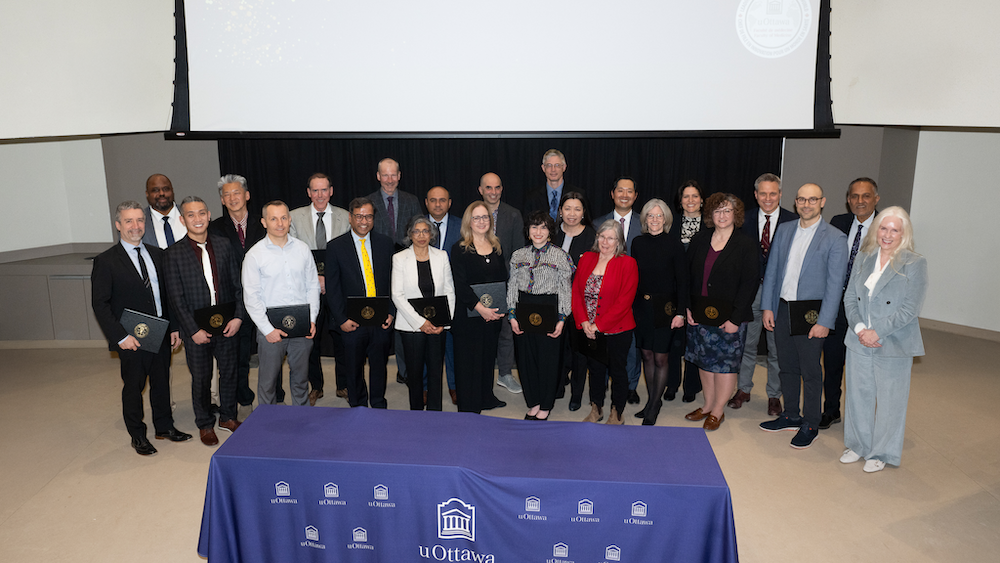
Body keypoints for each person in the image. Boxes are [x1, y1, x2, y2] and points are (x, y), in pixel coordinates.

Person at [91, 201, 190, 456]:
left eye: (139, 220)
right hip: (130, 337)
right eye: (128, 221)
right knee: (134, 387)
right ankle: (137, 435)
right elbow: (100, 304)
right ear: (118, 225)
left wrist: (174, 327)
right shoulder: (106, 261)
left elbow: (167, 295)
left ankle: (164, 427)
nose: (135, 226)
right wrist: (120, 336)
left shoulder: (158, 254)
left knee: (161, 382)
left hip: (160, 332)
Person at [758, 184, 847, 449]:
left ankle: (810, 423)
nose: (806, 204)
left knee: (810, 371)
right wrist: (768, 306)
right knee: (786, 366)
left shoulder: (835, 238)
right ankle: (790, 414)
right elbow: (772, 272)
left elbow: (835, 285)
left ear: (822, 202)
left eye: (812, 199)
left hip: (812, 315)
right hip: (783, 308)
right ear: (795, 202)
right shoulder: (784, 230)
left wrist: (825, 321)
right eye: (802, 199)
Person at [840, 207, 927, 473]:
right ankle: (858, 445)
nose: (887, 235)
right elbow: (849, 297)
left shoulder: (914, 263)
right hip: (858, 338)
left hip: (893, 341)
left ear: (904, 234)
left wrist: (876, 332)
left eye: (894, 230)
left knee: (890, 401)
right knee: (858, 396)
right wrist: (859, 328)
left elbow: (910, 309)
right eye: (883, 228)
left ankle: (882, 452)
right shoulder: (864, 256)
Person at [164, 196, 245, 446]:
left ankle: (228, 416)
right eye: (191, 215)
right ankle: (205, 423)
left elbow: (238, 285)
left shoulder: (224, 245)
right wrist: (192, 330)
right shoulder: (173, 254)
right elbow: (176, 298)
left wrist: (238, 317)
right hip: (196, 329)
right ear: (182, 220)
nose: (197, 219)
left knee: (229, 372)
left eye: (201, 213)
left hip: (227, 323)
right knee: (201, 377)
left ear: (209, 215)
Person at [683, 193, 758, 431]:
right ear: (710, 214)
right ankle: (707, 405)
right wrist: (688, 307)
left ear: (736, 214)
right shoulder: (700, 239)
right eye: (717, 210)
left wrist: (736, 318)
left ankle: (718, 410)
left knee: (725, 365)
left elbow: (749, 284)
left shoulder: (746, 244)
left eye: (727, 210)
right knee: (704, 362)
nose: (722, 215)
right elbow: (687, 276)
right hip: (700, 314)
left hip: (730, 317)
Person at [730, 173, 797, 416]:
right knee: (747, 343)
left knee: (776, 347)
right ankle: (743, 389)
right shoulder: (743, 220)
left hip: (779, 294)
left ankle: (774, 395)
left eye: (773, 193)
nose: (768, 198)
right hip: (751, 292)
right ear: (756, 195)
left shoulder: (793, 221)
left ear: (780, 194)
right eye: (763, 193)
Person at [242, 201, 320, 406]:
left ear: (290, 219)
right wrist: (267, 329)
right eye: (274, 219)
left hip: (302, 326)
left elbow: (312, 286)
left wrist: (311, 319)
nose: (280, 223)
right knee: (268, 382)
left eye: (284, 218)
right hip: (270, 328)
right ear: (264, 222)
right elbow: (251, 296)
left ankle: (301, 417)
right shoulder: (254, 255)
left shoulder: (302, 249)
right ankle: (267, 421)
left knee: (301, 380)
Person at [325, 197, 396, 408]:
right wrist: (341, 319)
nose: (364, 221)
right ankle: (358, 406)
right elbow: (333, 288)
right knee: (353, 367)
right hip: (351, 320)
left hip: (380, 318)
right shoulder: (336, 247)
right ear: (350, 217)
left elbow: (393, 281)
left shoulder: (385, 244)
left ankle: (378, 403)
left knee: (379, 366)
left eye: (368, 216)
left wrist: (391, 311)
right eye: (359, 216)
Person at [822, 177, 880, 429]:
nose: (860, 201)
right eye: (854, 196)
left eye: (866, 196)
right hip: (837, 306)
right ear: (848, 200)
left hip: (867, 309)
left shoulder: (886, 226)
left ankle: (861, 418)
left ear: (876, 199)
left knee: (862, 367)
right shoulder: (838, 222)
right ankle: (831, 410)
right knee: (832, 361)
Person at [289, 173, 351, 405]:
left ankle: (343, 385)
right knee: (310, 338)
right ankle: (316, 386)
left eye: (324, 190)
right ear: (308, 193)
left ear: (331, 191)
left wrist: (329, 279)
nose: (320, 195)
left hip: (338, 287)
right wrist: (316, 278)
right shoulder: (294, 217)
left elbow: (348, 253)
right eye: (315, 190)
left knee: (342, 338)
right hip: (307, 288)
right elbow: (293, 253)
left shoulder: (345, 217)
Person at [507, 211, 575, 420]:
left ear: (550, 231)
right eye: (534, 227)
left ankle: (545, 404)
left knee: (548, 360)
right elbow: (512, 286)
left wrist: (562, 318)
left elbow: (565, 289)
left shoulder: (560, 256)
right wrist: (512, 315)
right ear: (528, 231)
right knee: (526, 359)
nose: (538, 231)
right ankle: (533, 401)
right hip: (523, 308)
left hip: (549, 308)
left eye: (543, 227)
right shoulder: (518, 255)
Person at [572, 220, 638, 425]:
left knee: (617, 371)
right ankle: (596, 408)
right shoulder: (587, 258)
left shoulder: (628, 263)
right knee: (595, 370)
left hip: (617, 330)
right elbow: (576, 292)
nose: (605, 242)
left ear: (619, 242)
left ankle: (617, 412)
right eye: (602, 236)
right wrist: (584, 322)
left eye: (611, 238)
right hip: (589, 329)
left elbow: (625, 301)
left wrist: (598, 325)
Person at [210, 174, 266, 408]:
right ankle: (243, 396)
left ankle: (274, 394)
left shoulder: (264, 223)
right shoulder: (214, 229)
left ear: (247, 195)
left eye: (237, 193)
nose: (233, 198)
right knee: (239, 354)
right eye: (227, 195)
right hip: (234, 301)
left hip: (264, 297)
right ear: (222, 200)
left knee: (271, 350)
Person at [631, 199, 688, 425]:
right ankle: (651, 401)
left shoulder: (674, 244)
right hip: (642, 307)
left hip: (666, 309)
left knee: (661, 357)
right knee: (646, 355)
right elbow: (634, 278)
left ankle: (655, 404)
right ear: (645, 219)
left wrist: (681, 312)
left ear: (666, 219)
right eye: (650, 215)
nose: (654, 220)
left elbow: (683, 281)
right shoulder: (637, 243)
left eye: (659, 215)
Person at [391, 216, 455, 411]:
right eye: (416, 231)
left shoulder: (441, 256)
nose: (421, 235)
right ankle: (416, 413)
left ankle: (435, 412)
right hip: (411, 326)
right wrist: (420, 323)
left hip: (438, 325)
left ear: (431, 234)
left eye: (425, 231)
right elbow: (397, 295)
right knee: (415, 373)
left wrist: (444, 322)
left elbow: (449, 291)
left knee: (436, 372)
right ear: (410, 235)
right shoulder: (399, 258)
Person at [367, 158, 421, 385]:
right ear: (378, 176)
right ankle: (378, 372)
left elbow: (418, 230)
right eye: (385, 175)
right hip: (376, 270)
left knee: (405, 317)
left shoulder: (411, 200)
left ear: (399, 176)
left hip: (406, 268)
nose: (389, 180)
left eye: (393, 175)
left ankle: (405, 370)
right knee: (380, 321)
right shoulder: (368, 202)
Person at [450, 201, 508, 414]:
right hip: (469, 316)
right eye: (477, 217)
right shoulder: (460, 249)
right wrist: (480, 308)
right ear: (469, 221)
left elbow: (503, 278)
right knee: (468, 362)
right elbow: (460, 284)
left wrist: (499, 308)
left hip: (492, 315)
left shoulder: (497, 246)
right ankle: (469, 406)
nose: (482, 221)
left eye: (485, 217)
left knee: (487, 358)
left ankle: (486, 398)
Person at [596, 177, 643, 404]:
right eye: (620, 191)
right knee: (604, 341)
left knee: (631, 344)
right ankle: (604, 382)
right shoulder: (598, 223)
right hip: (605, 293)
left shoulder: (645, 223)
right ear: (612, 194)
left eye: (629, 191)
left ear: (635, 195)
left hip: (635, 293)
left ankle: (631, 385)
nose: (624, 195)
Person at [478, 172, 526, 395]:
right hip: (479, 283)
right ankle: (482, 373)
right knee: (482, 331)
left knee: (506, 330)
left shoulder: (513, 214)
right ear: (481, 190)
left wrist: (512, 281)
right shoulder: (473, 212)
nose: (493, 192)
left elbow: (518, 252)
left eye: (497, 187)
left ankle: (505, 373)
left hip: (506, 281)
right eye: (488, 188)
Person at [552, 191, 597, 411]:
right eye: (567, 208)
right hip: (554, 302)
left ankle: (577, 394)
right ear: (560, 211)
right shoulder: (550, 233)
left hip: (581, 303)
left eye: (577, 209)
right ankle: (558, 385)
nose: (572, 213)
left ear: (583, 212)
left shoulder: (592, 236)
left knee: (579, 352)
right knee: (556, 347)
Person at [667, 180, 705, 403]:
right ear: (680, 201)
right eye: (686, 196)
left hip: (700, 290)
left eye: (695, 196)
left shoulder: (711, 225)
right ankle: (671, 384)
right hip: (674, 289)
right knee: (673, 340)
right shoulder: (671, 223)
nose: (690, 200)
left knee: (695, 340)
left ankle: (691, 386)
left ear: (702, 200)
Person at [425, 186, 462, 404]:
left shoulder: (461, 225)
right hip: (424, 294)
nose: (437, 204)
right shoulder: (418, 225)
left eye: (442, 200)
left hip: (452, 293)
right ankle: (425, 386)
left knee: (452, 344)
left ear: (449, 203)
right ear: (426, 203)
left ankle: (454, 385)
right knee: (426, 342)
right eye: (433, 200)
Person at [524, 149, 579, 221]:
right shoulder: (532, 197)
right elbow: (527, 224)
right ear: (543, 168)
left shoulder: (578, 194)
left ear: (564, 167)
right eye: (549, 165)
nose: (553, 169)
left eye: (557, 165)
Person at [142, 174, 184, 249]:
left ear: (172, 191)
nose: (161, 193)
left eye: (166, 189)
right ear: (147, 194)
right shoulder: (140, 221)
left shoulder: (188, 213)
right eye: (155, 190)